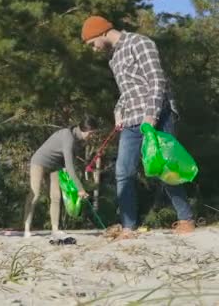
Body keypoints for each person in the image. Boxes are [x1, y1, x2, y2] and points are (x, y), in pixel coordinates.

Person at [81, 15, 195, 240]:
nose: (94, 49)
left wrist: (151, 115)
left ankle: (186, 218)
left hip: (157, 115)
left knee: (163, 168)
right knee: (123, 172)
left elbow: (156, 80)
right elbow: (128, 91)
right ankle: (128, 227)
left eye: (92, 43)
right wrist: (118, 109)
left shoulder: (139, 43)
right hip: (131, 120)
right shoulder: (113, 58)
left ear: (102, 32)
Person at [23, 116, 98, 238]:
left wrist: (72, 185)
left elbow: (69, 164)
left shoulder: (77, 140)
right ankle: (26, 228)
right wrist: (80, 188)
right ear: (85, 130)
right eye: (92, 133)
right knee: (35, 194)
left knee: (56, 196)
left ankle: (55, 229)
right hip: (39, 162)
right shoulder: (67, 137)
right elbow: (69, 167)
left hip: (54, 166)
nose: (92, 136)